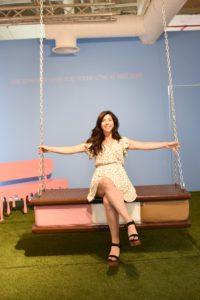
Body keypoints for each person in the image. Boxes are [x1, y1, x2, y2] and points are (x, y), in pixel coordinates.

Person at [38, 110, 179, 267]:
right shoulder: (94, 143)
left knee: (107, 201)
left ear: (114, 123)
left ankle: (115, 245)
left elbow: (144, 145)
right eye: (103, 120)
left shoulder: (122, 141)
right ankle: (130, 223)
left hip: (120, 180)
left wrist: (166, 144)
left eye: (109, 120)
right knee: (105, 181)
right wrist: (49, 149)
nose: (107, 122)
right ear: (100, 124)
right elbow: (72, 149)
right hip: (100, 181)